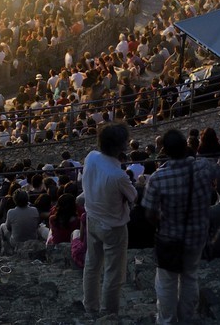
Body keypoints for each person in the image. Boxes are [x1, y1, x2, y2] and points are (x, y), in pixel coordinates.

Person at [144, 128, 220, 325]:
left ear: (166, 151)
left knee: (167, 282)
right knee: (190, 276)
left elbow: (149, 213)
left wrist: (161, 222)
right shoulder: (203, 166)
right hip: (197, 235)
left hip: (169, 237)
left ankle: (167, 320)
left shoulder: (157, 178)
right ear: (186, 146)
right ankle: (186, 317)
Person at [80, 123, 138, 316]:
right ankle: (108, 312)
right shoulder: (118, 175)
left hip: (92, 218)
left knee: (92, 264)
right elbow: (133, 196)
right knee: (114, 271)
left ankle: (90, 306)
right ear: (119, 147)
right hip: (113, 226)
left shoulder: (91, 157)